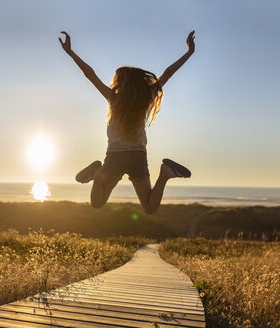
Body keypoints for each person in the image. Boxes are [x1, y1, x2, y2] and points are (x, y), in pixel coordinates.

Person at [59, 30, 195, 213]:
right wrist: (189, 52)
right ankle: (165, 174)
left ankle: (98, 173)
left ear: (120, 82)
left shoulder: (113, 99)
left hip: (114, 155)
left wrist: (70, 52)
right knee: (149, 207)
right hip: (137, 156)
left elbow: (89, 74)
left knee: (97, 203)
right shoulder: (147, 96)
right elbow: (168, 73)